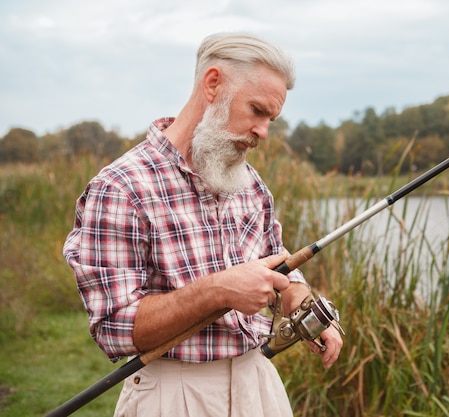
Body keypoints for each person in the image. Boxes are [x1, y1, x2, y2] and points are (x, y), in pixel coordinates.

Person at [63, 32, 343, 417]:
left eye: (271, 119)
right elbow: (114, 328)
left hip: (258, 384)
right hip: (172, 395)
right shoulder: (121, 187)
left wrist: (302, 302)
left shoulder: (250, 184)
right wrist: (219, 290)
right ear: (213, 84)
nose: (264, 131)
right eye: (258, 110)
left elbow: (278, 263)